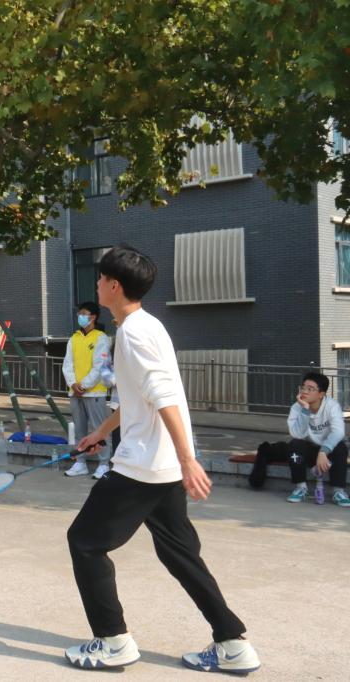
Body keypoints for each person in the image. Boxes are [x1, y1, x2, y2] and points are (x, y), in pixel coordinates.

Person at [66, 246, 258, 673]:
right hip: (162, 465)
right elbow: (141, 399)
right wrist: (101, 432)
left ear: (114, 286)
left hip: (144, 466)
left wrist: (189, 459)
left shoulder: (133, 334)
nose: (97, 284)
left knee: (85, 542)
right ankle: (233, 644)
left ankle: (113, 641)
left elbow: (165, 395)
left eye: (100, 278)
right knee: (180, 554)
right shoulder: (147, 326)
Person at [248, 372, 349, 507]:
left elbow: (338, 432)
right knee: (295, 444)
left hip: (327, 452)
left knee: (341, 447)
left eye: (310, 389)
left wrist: (324, 451)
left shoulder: (332, 406)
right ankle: (301, 488)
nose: (304, 391)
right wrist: (305, 409)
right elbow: (297, 434)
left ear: (321, 394)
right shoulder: (297, 407)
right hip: (308, 450)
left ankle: (338, 491)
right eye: (303, 387)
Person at [62, 301, 113, 479]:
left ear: (93, 317)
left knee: (100, 428)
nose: (80, 317)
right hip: (75, 392)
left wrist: (83, 385)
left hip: (94, 391)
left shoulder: (101, 338)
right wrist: (73, 383)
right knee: (79, 429)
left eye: (84, 313)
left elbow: (100, 366)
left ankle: (104, 464)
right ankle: (80, 462)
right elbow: (67, 364)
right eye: (79, 313)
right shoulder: (74, 338)